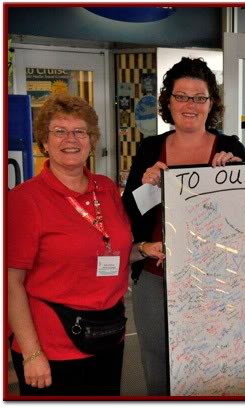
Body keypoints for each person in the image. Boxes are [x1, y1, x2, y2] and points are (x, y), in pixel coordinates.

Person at [7, 94, 164, 396]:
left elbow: (111, 250)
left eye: (80, 131)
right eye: (59, 131)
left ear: (91, 140)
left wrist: (143, 249)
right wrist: (31, 353)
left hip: (108, 336)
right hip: (53, 348)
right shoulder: (25, 200)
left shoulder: (104, 188)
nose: (71, 139)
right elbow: (11, 282)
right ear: (44, 141)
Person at [121, 57, 245, 395]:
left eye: (199, 97)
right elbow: (130, 214)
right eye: (181, 96)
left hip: (218, 282)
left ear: (212, 103)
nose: (190, 105)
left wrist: (235, 179)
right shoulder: (150, 149)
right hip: (157, 279)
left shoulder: (230, 149)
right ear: (168, 101)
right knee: (158, 368)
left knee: (214, 368)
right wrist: (148, 186)